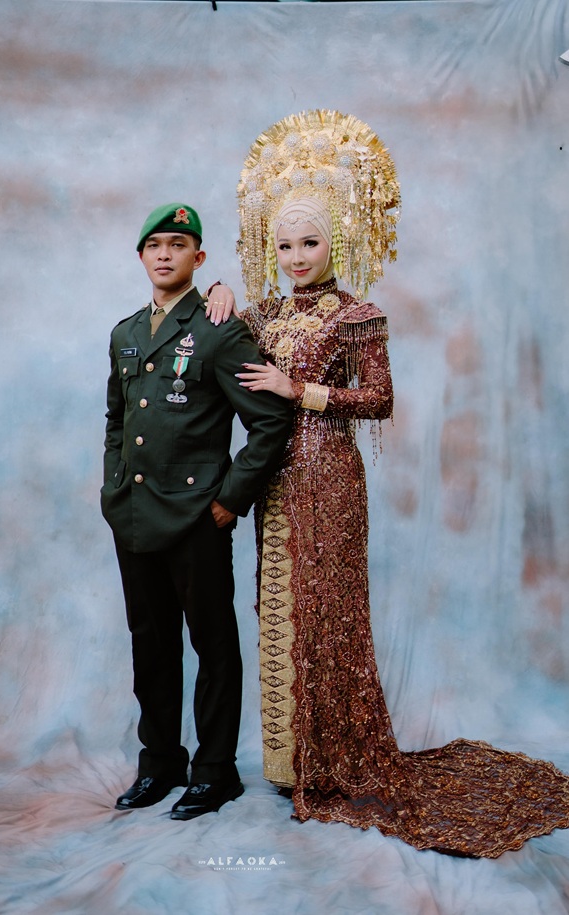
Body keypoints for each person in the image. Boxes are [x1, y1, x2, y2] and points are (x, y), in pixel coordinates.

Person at [206, 110, 569, 856]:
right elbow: (222, 340)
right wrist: (216, 288)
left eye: (309, 243)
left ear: (335, 242)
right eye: (283, 245)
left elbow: (380, 399)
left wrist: (300, 390)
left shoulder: (358, 316)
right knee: (281, 602)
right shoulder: (264, 314)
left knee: (329, 612)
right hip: (272, 477)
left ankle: (334, 761)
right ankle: (290, 761)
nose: (295, 257)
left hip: (329, 473)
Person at [101, 202, 293, 820]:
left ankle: (215, 771)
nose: (165, 254)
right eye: (154, 244)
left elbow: (270, 420)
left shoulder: (217, 329)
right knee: (150, 644)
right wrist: (112, 490)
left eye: (178, 245)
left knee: (212, 644)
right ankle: (160, 763)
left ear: (199, 257)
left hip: (195, 517)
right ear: (141, 256)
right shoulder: (126, 333)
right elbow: (116, 422)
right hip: (135, 514)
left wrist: (230, 500)